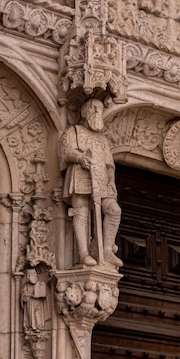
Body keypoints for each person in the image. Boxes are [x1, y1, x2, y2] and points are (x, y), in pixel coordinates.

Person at [59, 99, 123, 268]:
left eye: (100, 109)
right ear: (85, 112)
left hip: (101, 179)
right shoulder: (74, 131)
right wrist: (80, 157)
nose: (97, 112)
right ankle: (84, 253)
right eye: (94, 109)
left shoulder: (101, 138)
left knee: (114, 210)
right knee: (81, 212)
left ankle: (107, 250)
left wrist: (110, 181)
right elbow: (66, 151)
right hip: (81, 174)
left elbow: (109, 163)